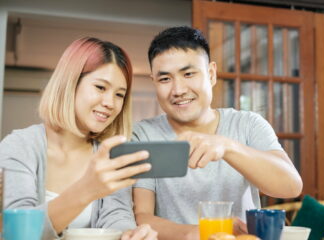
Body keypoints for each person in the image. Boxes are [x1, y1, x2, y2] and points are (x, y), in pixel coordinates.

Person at [129, 26, 303, 240]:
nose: (178, 90)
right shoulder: (144, 134)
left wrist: (228, 147)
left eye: (188, 74)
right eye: (165, 79)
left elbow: (290, 186)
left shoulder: (247, 124)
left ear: (211, 74)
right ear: (154, 81)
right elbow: (142, 216)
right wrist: (198, 234)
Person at [0, 37, 157, 240]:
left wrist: (131, 233)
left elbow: (116, 215)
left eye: (119, 95)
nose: (110, 103)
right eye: (100, 87)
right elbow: (18, 232)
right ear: (70, 84)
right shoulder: (19, 146)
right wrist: (88, 189)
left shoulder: (110, 154)